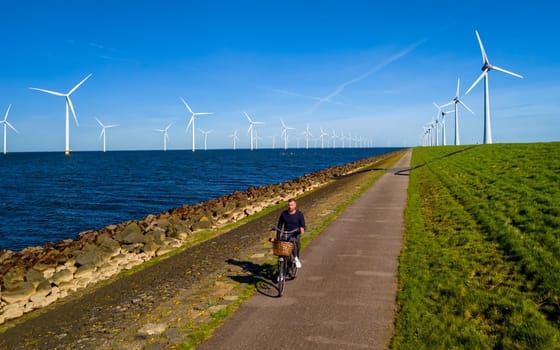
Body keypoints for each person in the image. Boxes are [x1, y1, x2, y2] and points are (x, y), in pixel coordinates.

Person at [276, 198, 306, 268]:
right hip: (286, 233)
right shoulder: (284, 214)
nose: (290, 207)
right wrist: (278, 237)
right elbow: (279, 226)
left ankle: (295, 258)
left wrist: (302, 228)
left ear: (295, 205)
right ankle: (281, 270)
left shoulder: (299, 214)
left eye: (292, 205)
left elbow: (303, 225)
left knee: (293, 242)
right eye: (289, 205)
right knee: (281, 244)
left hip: (295, 233)